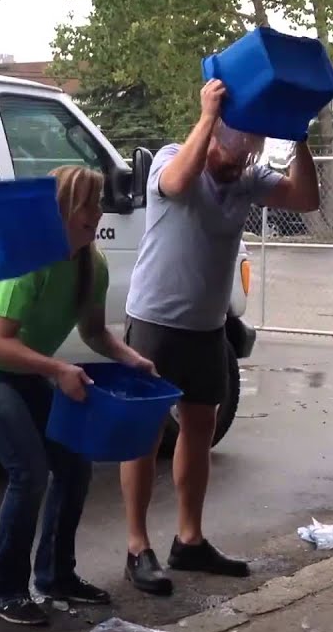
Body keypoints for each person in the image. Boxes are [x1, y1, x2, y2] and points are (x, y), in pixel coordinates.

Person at [120, 78, 322, 596]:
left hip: (207, 328)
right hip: (156, 322)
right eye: (231, 154)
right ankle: (137, 546)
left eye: (246, 155)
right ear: (211, 138)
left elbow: (304, 197)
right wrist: (207, 117)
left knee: (199, 430)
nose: (238, 166)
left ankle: (189, 540)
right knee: (142, 436)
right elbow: (177, 182)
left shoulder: (247, 177)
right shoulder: (173, 157)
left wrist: (296, 136)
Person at [0, 165, 156, 626]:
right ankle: (3, 591)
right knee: (30, 471)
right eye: (88, 204)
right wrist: (59, 369)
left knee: (75, 465)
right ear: (59, 209)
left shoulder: (90, 265)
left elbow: (95, 332)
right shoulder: (29, 260)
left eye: (99, 203)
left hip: (21, 366)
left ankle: (57, 576)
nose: (97, 214)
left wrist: (131, 359)